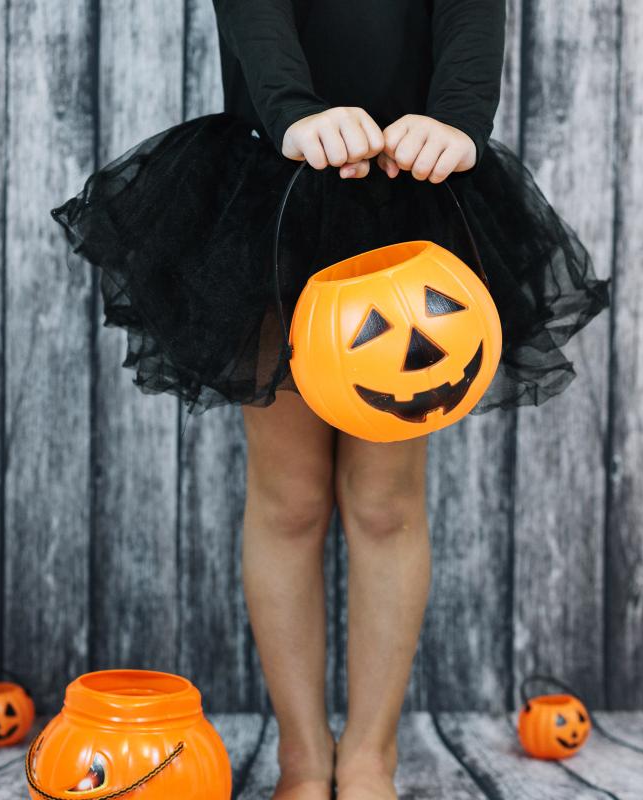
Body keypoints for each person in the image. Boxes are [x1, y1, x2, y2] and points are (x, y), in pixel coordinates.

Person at [51, 3, 609, 797]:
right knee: (289, 498)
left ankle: (370, 753)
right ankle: (304, 754)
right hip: (273, 199)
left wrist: (458, 118)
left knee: (386, 502)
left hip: (411, 191)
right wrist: (293, 110)